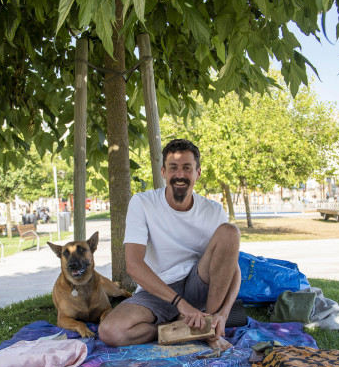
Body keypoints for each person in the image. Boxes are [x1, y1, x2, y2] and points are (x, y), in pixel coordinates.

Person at [98, 139, 240, 351]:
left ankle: (209, 326)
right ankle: (181, 327)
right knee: (110, 331)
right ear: (163, 172)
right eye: (173, 168)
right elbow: (134, 266)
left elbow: (233, 268)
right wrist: (182, 306)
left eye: (187, 168)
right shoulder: (142, 203)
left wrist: (224, 313)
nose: (180, 175)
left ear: (198, 173)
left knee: (230, 232)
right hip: (158, 288)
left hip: (198, 283)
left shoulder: (213, 210)